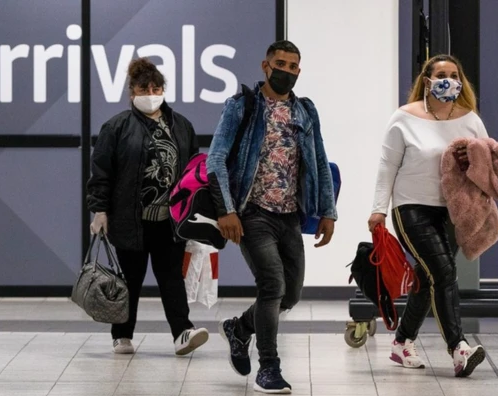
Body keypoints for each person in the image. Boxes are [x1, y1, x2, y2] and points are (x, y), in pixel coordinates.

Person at [207, 40, 337, 394]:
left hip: (290, 215)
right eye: (281, 63)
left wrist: (328, 211)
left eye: (294, 66)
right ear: (266, 65)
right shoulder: (242, 106)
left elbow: (320, 163)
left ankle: (240, 328)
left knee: (290, 295)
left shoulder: (305, 111)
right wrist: (227, 210)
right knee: (272, 285)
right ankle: (269, 368)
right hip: (252, 213)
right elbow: (215, 159)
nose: (287, 71)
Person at [368, 54, 487, 377]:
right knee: (445, 272)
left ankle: (402, 341)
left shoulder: (470, 119)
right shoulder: (404, 118)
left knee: (426, 278)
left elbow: (483, 163)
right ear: (427, 80)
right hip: (410, 207)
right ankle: (459, 348)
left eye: (453, 74)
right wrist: (379, 209)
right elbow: (387, 165)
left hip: (453, 209)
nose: (448, 80)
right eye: (441, 74)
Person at [86, 57, 209, 356]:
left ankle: (183, 332)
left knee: (171, 278)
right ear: (132, 92)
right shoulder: (116, 127)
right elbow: (102, 171)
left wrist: (198, 213)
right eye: (144, 88)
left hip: (170, 220)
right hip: (131, 219)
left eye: (156, 87)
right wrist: (100, 210)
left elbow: (195, 172)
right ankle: (122, 335)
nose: (150, 93)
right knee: (131, 280)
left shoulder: (181, 125)